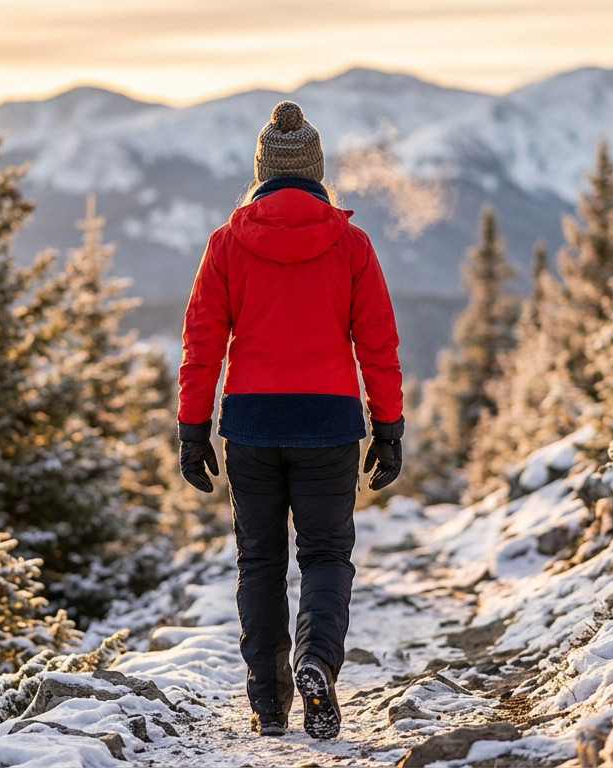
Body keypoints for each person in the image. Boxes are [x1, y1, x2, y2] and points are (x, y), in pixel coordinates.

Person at [176, 100, 404, 740]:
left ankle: (269, 704)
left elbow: (203, 346)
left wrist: (193, 431)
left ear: (261, 172)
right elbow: (378, 346)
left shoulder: (226, 244)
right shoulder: (351, 244)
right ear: (317, 172)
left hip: (249, 421)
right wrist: (388, 428)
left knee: (260, 563)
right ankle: (316, 663)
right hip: (330, 421)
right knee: (327, 555)